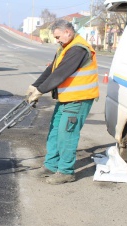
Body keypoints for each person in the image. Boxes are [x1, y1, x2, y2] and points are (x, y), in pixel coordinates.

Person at [26, 19, 99, 185]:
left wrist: (40, 91)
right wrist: (35, 85)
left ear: (68, 32)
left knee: (67, 135)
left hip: (79, 100)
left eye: (58, 36)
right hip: (66, 98)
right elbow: (52, 69)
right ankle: (51, 165)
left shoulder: (78, 49)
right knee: (54, 131)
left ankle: (66, 171)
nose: (56, 40)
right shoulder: (64, 48)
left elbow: (60, 74)